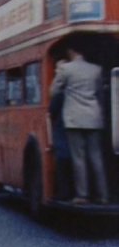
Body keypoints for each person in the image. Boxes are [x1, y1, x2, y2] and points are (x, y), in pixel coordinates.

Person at [50, 41, 108, 204]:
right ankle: (103, 195)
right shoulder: (96, 69)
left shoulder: (66, 69)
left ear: (70, 51)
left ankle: (82, 195)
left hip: (74, 118)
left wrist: (59, 74)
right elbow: (100, 95)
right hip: (94, 116)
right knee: (96, 157)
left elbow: (53, 91)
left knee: (79, 158)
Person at [49, 60, 72, 200]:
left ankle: (64, 193)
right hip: (70, 126)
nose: (56, 72)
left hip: (62, 128)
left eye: (59, 69)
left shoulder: (60, 91)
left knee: (63, 160)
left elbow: (53, 109)